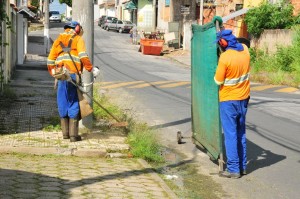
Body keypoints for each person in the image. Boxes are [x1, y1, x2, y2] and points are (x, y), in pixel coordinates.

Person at [47, 21, 93, 142]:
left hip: (60, 75)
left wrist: (53, 73)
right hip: (72, 75)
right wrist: (90, 68)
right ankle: (73, 136)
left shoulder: (58, 40)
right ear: (77, 28)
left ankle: (65, 134)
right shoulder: (78, 39)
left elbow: (50, 60)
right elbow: (83, 56)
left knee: (62, 101)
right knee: (73, 101)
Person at [214, 29, 250, 179]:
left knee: (230, 134)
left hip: (229, 100)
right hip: (244, 98)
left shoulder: (225, 57)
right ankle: (242, 167)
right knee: (241, 132)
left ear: (223, 43)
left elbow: (218, 80)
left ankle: (233, 169)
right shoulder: (246, 51)